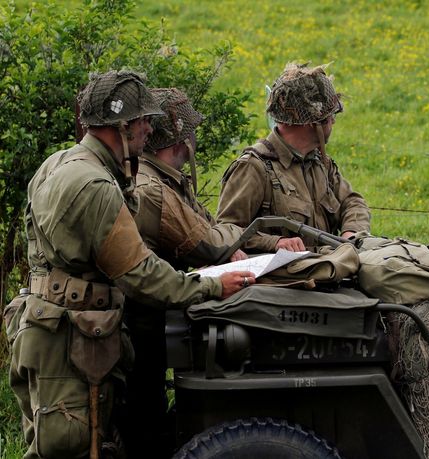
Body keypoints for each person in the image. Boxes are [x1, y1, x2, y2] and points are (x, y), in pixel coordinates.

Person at [6, 71, 254, 459]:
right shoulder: (96, 186)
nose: (149, 131)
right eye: (143, 122)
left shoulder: (56, 164)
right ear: (121, 126)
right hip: (69, 341)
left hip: (44, 330)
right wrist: (209, 287)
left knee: (58, 443)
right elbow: (139, 273)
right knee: (73, 447)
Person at [121, 87, 246, 457]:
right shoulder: (155, 189)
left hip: (153, 314)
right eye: (189, 132)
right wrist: (240, 237)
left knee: (149, 414)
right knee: (145, 420)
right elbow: (211, 242)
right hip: (142, 322)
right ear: (180, 139)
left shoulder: (166, 180)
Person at [217, 62, 370, 252]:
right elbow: (226, 232)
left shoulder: (319, 162)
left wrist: (351, 234)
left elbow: (352, 202)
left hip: (329, 267)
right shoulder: (254, 168)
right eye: (329, 117)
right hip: (281, 278)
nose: (333, 121)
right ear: (312, 123)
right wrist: (275, 243)